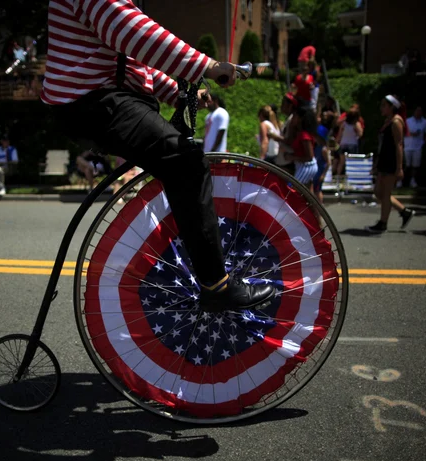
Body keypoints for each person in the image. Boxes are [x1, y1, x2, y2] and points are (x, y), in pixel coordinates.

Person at [42, 0, 274, 310]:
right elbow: (128, 30)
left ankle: (195, 261)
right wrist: (206, 66)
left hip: (105, 96)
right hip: (93, 100)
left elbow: (129, 56)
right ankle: (216, 285)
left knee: (180, 163)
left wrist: (171, 91)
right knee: (186, 161)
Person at [366, 95, 416, 233]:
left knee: (386, 194)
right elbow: (382, 145)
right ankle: (404, 211)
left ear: (392, 107)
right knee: (378, 192)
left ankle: (383, 223)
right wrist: (376, 164)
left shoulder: (396, 122)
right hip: (384, 160)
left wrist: (399, 168)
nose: (381, 108)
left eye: (384, 105)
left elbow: (399, 145)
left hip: (392, 162)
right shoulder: (388, 121)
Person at [287, 100, 318, 188]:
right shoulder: (300, 133)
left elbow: (309, 156)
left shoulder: (304, 135)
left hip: (306, 166)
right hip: (302, 166)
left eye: (295, 116)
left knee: (292, 189)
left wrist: (292, 157)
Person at [402, 105, 426, 188]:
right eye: (417, 111)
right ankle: (400, 180)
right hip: (407, 146)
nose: (418, 113)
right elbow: (402, 132)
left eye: (420, 111)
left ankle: (412, 180)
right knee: (406, 165)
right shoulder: (407, 121)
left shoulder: (425, 122)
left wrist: (423, 143)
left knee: (415, 165)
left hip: (418, 147)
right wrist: (411, 134)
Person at [313, 124, 331, 203]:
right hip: (315, 173)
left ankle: (320, 206)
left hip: (320, 173)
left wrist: (323, 174)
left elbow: (328, 163)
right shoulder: (317, 147)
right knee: (314, 190)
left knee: (318, 190)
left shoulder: (324, 149)